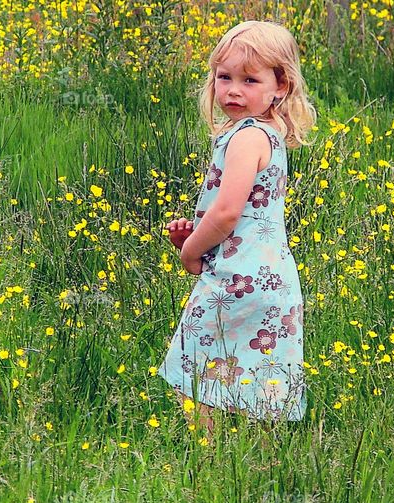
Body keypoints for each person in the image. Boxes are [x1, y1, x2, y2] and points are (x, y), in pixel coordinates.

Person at [157, 20, 317, 434]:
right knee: (258, 384)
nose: (232, 90)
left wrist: (191, 249)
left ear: (279, 86)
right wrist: (195, 229)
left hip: (236, 279)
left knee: (190, 369)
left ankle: (210, 460)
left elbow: (227, 214)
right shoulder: (270, 135)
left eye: (249, 80)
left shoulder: (245, 138)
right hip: (273, 279)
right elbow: (246, 214)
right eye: (224, 77)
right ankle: (255, 469)